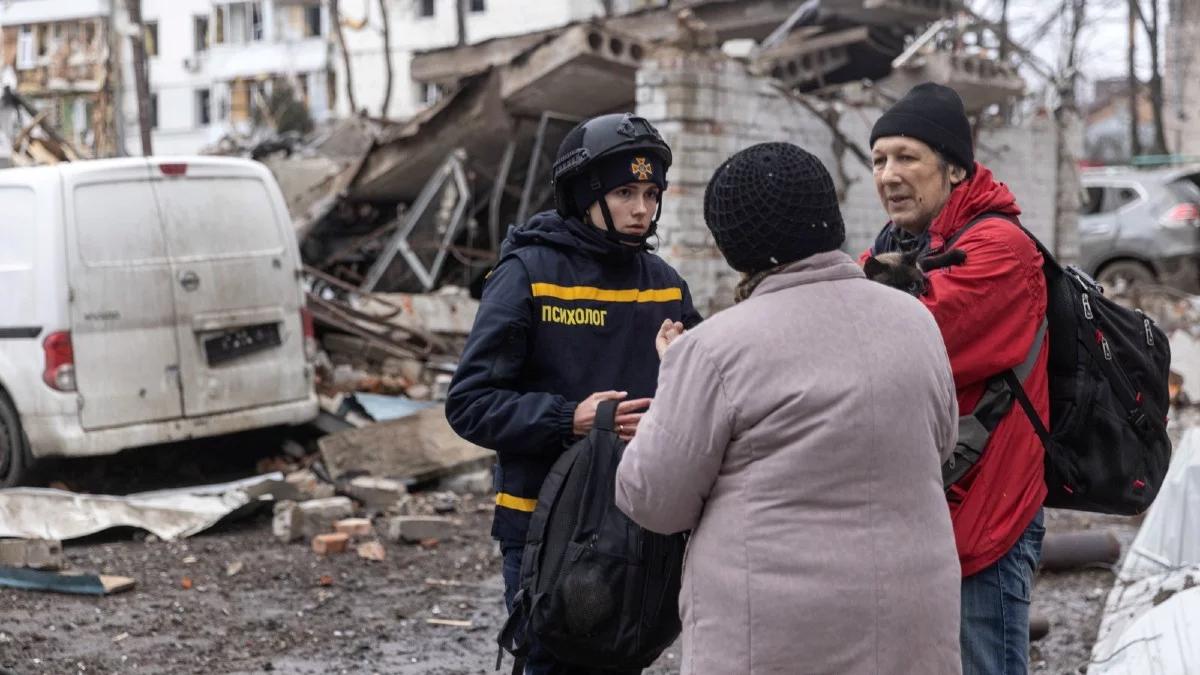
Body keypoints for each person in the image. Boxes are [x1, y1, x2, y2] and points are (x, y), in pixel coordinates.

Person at [614, 142, 962, 674]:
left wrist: (671, 385)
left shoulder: (713, 349)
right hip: (912, 618)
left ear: (734, 245)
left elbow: (655, 500)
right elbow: (939, 446)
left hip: (776, 637)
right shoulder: (914, 320)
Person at [445, 112, 702, 674]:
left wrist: (682, 370)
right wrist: (570, 418)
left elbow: (707, 399)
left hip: (641, 525)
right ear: (585, 195)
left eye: (651, 193)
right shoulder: (527, 274)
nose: (643, 209)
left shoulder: (664, 284)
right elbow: (469, 403)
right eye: (625, 192)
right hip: (545, 529)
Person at [862, 82, 1049, 675]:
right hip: (932, 505)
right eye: (878, 159)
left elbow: (900, 347)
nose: (889, 174)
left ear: (956, 171)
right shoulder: (903, 244)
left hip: (986, 518)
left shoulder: (1000, 250)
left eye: (907, 157)